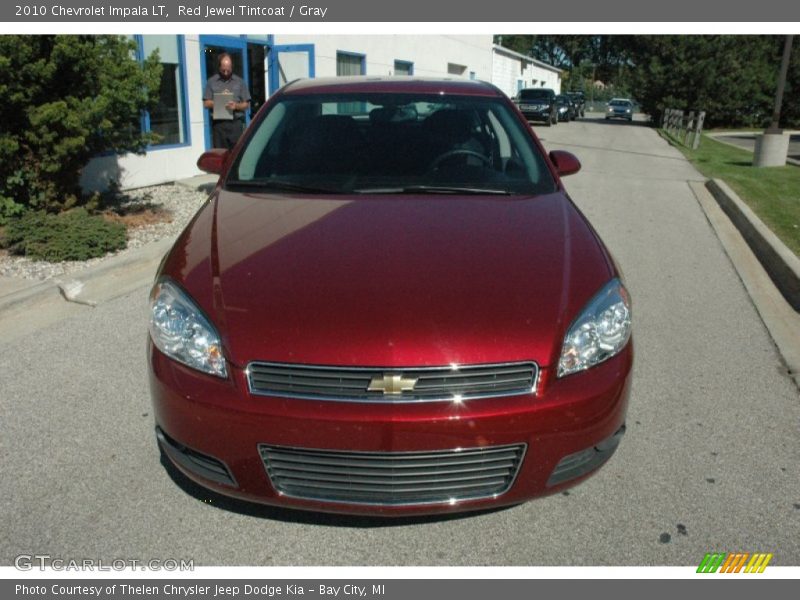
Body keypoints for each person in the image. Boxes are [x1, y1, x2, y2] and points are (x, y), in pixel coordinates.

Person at [203, 53, 251, 149]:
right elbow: (206, 103)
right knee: (220, 155)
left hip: (235, 124)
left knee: (236, 154)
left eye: (228, 70)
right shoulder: (211, 82)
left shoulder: (240, 82)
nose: (225, 72)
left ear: (231, 67)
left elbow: (247, 104)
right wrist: (219, 102)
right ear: (219, 67)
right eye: (223, 70)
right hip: (219, 125)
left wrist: (236, 106)